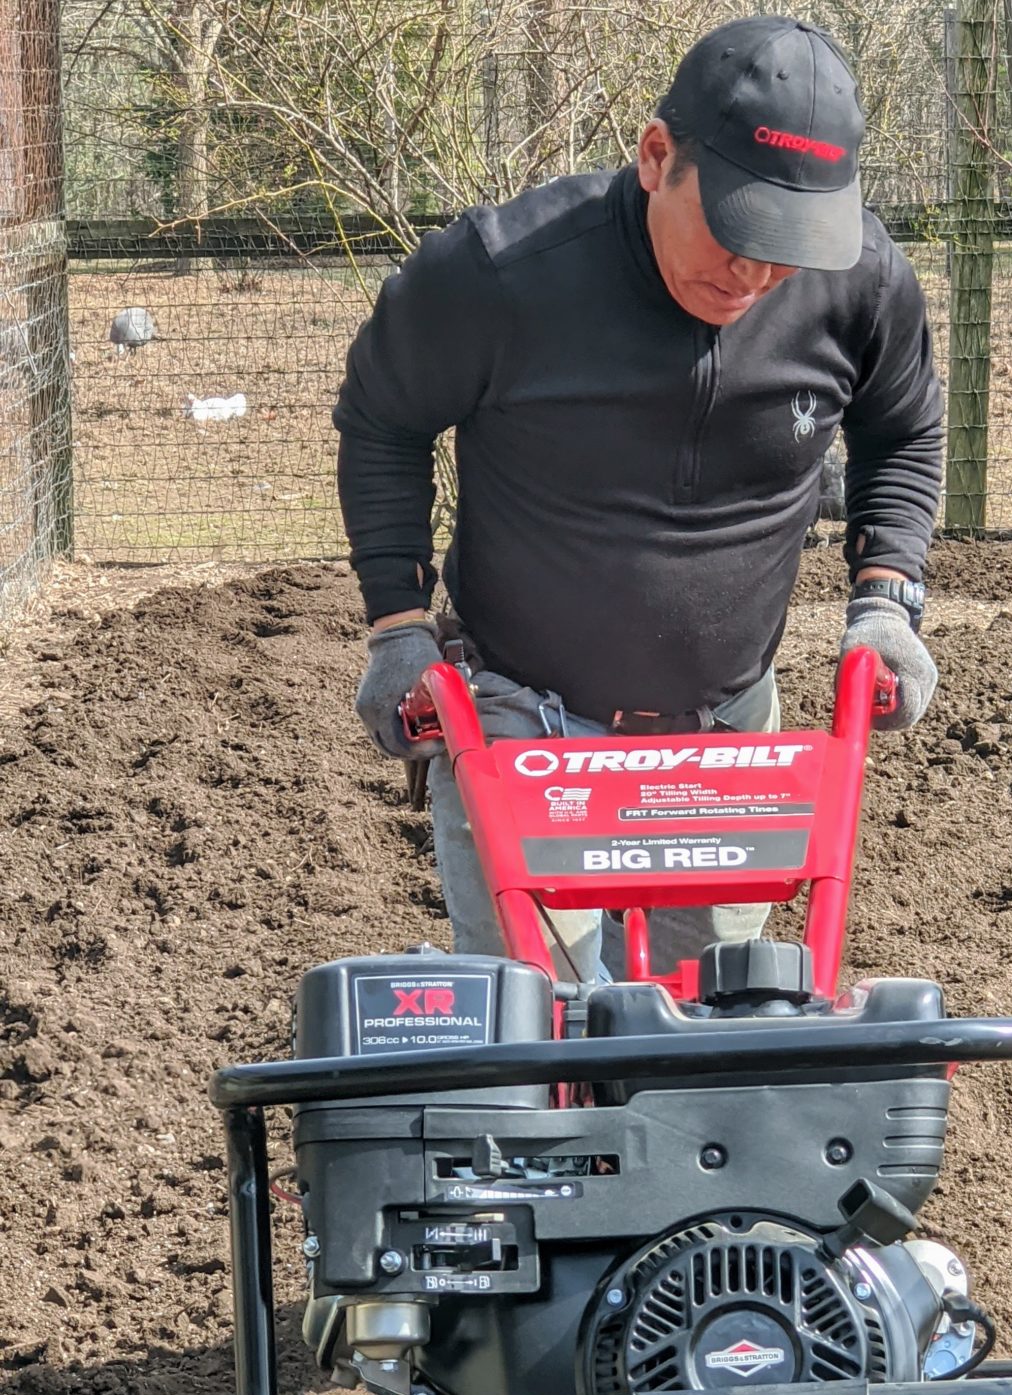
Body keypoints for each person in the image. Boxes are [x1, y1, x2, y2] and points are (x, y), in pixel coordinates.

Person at [334, 15, 942, 981]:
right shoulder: (501, 275)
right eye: (738, 231)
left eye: (790, 243)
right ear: (657, 157)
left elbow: (902, 430)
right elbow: (382, 419)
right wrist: (398, 626)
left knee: (718, 1018)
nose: (756, 275)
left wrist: (886, 600)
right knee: (543, 1018)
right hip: (520, 723)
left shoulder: (859, 284)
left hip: (729, 731)